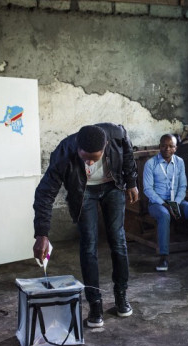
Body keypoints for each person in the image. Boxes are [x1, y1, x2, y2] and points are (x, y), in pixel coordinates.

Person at [32, 124, 139, 328]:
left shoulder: (117, 135)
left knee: (118, 240)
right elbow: (45, 193)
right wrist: (42, 234)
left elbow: (127, 155)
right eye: (85, 158)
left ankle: (121, 297)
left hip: (113, 186)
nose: (89, 163)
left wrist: (131, 181)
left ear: (106, 147)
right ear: (77, 147)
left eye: (94, 158)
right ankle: (95, 304)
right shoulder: (64, 152)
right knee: (88, 246)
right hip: (83, 194)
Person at [143, 134, 188, 272]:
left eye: (171, 146)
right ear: (159, 146)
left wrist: (174, 204)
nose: (167, 149)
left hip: (176, 201)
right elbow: (148, 189)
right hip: (157, 204)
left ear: (176, 148)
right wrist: (165, 204)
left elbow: (182, 186)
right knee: (164, 215)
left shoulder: (180, 162)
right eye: (164, 145)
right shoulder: (151, 164)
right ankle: (163, 257)